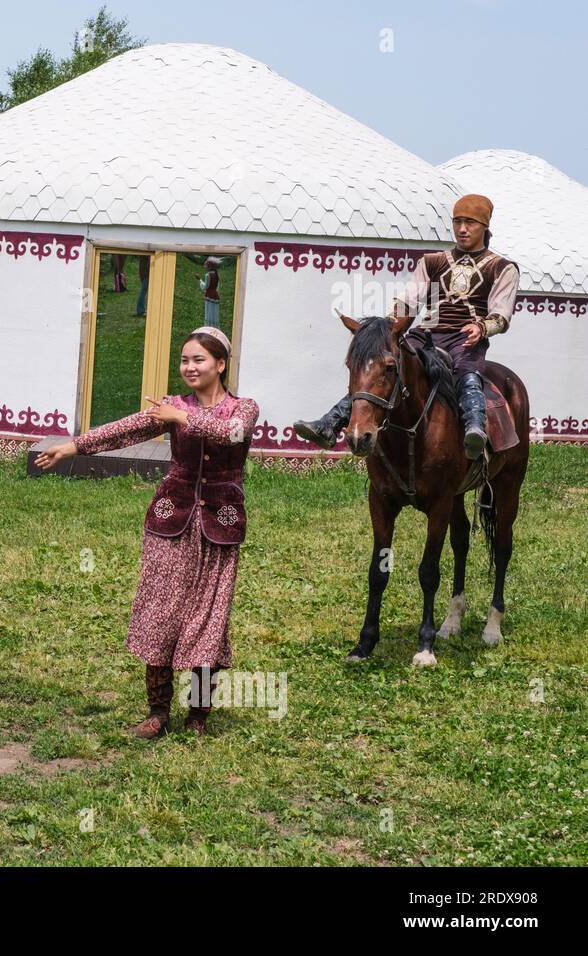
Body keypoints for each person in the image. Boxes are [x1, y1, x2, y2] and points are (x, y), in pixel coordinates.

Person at [36, 327, 259, 737]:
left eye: (199, 360)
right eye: (185, 360)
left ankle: (197, 715)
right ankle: (158, 712)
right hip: (171, 519)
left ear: (221, 364)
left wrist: (184, 418)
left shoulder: (243, 408)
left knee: (208, 619)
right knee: (161, 611)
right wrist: (75, 446)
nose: (189, 367)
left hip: (220, 525)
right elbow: (128, 428)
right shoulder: (171, 405)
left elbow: (235, 434)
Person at [293, 194, 519, 459]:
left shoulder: (501, 268)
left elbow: (501, 314)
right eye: (457, 221)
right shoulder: (433, 262)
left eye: (470, 222)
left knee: (467, 374)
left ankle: (474, 430)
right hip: (426, 334)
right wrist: (389, 325)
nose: (462, 229)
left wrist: (482, 327)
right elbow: (409, 301)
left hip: (466, 339)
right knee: (383, 365)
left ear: (484, 226)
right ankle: (330, 423)